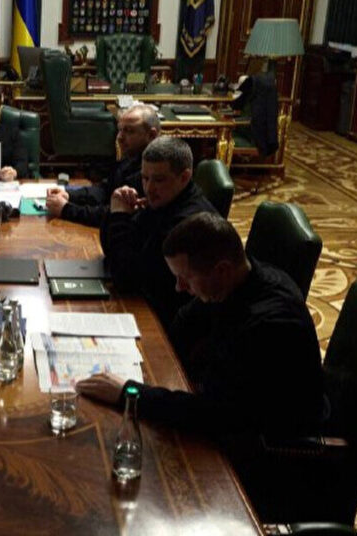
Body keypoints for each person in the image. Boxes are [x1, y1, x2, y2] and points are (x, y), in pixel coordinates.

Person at [77, 213, 326, 511]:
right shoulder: (236, 280)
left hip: (271, 453)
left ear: (221, 270)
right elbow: (185, 323)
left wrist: (130, 393)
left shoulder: (268, 326)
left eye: (185, 278)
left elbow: (213, 414)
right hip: (230, 411)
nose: (179, 288)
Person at [99, 136, 218, 324]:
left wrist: (120, 217)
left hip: (166, 319)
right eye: (144, 178)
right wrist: (116, 210)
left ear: (184, 177)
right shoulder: (166, 200)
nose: (149, 188)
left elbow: (126, 278)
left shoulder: (185, 223)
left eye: (159, 180)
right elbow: (112, 253)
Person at [45, 104, 160, 227]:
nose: (120, 138)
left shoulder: (153, 172)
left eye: (129, 131)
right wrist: (69, 194)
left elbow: (115, 213)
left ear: (151, 135)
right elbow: (104, 190)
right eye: (120, 130)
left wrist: (66, 209)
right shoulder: (130, 158)